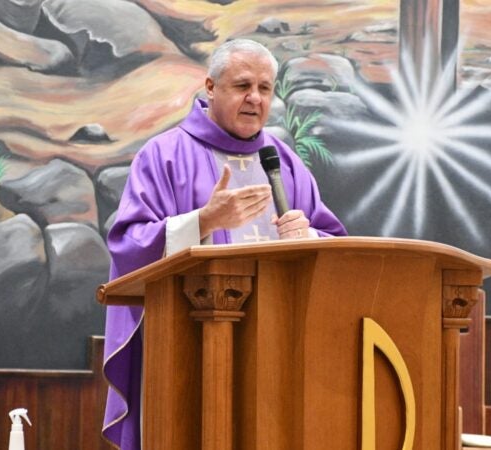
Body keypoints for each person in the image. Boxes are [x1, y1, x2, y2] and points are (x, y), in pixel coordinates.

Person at [101, 38, 347, 449]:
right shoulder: (164, 155)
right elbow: (128, 245)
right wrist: (204, 221)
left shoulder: (284, 162)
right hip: (188, 348)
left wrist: (308, 237)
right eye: (242, 86)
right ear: (211, 88)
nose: (255, 99)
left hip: (280, 350)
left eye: (265, 88)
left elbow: (335, 245)